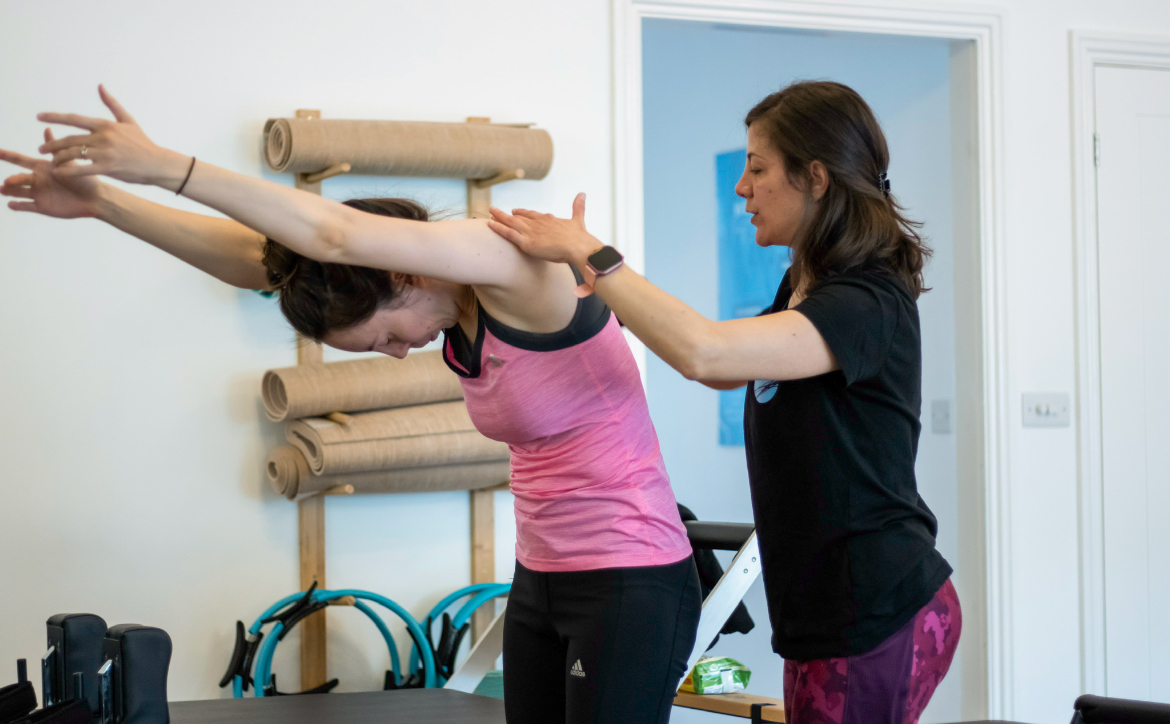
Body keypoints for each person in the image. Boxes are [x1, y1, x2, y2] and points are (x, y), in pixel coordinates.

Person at [1, 86, 700, 724]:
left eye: (385, 335)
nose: (396, 354)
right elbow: (261, 258)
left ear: (400, 276)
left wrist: (166, 167)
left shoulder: (507, 262)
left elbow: (333, 235)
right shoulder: (448, 305)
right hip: (542, 574)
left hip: (629, 575)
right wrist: (105, 203)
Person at [487, 80, 961, 724]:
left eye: (757, 169)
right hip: (824, 610)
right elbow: (717, 369)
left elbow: (705, 353)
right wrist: (594, 307)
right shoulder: (803, 285)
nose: (741, 187)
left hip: (876, 603)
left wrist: (588, 252)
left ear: (816, 178)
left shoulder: (866, 300)